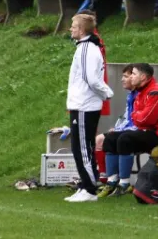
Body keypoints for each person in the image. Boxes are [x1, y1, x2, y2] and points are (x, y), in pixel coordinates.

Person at [99, 63, 158, 197]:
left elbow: (145, 120)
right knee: (111, 138)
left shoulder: (155, 92)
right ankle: (111, 181)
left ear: (143, 77)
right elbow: (139, 117)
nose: (131, 77)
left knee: (125, 139)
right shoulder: (141, 92)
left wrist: (135, 115)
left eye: (134, 74)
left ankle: (124, 184)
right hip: (147, 131)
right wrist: (137, 116)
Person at [64, 14, 114, 203]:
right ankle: (86, 185)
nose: (71, 29)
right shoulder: (85, 48)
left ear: (82, 30)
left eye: (73, 26)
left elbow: (90, 78)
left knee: (82, 147)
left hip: (84, 105)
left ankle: (90, 188)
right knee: (83, 146)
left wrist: (106, 93)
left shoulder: (87, 48)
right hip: (82, 104)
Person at [94, 64, 138, 192]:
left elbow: (135, 120)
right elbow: (127, 116)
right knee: (100, 139)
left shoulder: (141, 95)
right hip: (129, 129)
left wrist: (119, 130)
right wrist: (118, 127)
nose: (122, 79)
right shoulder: (131, 94)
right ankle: (106, 177)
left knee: (114, 139)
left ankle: (123, 182)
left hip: (139, 132)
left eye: (126, 76)